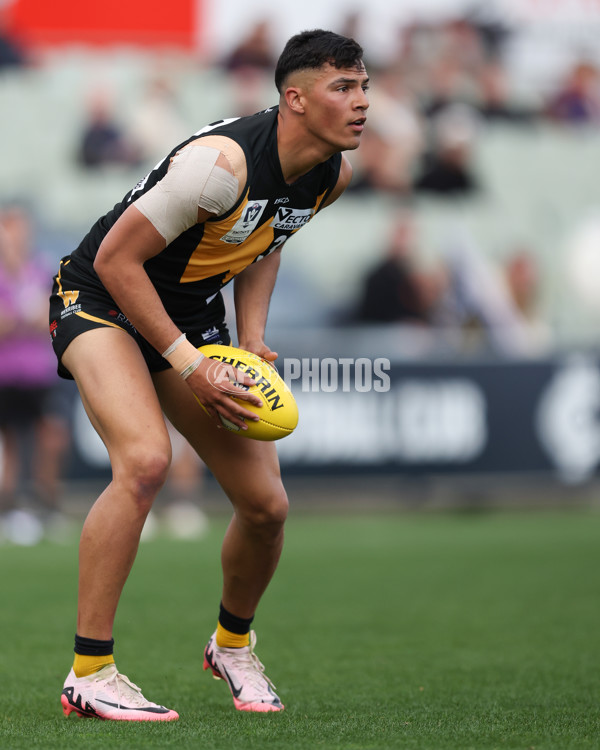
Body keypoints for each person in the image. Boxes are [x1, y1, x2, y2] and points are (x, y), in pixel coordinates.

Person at [50, 29, 368, 721]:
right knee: (143, 462)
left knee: (267, 507)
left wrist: (250, 338)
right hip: (100, 298)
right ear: (295, 98)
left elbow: (265, 241)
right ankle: (90, 672)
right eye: (343, 87)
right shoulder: (220, 165)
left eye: (363, 85)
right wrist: (192, 366)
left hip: (188, 312)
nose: (362, 101)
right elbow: (113, 262)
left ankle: (232, 645)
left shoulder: (331, 174)